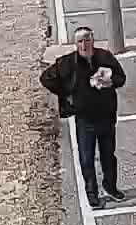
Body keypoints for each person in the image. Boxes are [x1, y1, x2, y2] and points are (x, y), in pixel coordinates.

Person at [41, 26, 128, 207]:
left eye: (87, 40)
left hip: (106, 116)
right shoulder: (67, 63)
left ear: (93, 41)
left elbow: (121, 78)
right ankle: (92, 193)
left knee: (108, 155)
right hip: (85, 119)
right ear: (76, 44)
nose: (84, 44)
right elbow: (46, 78)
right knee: (86, 159)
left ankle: (110, 187)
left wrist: (110, 81)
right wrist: (66, 94)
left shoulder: (105, 57)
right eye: (80, 41)